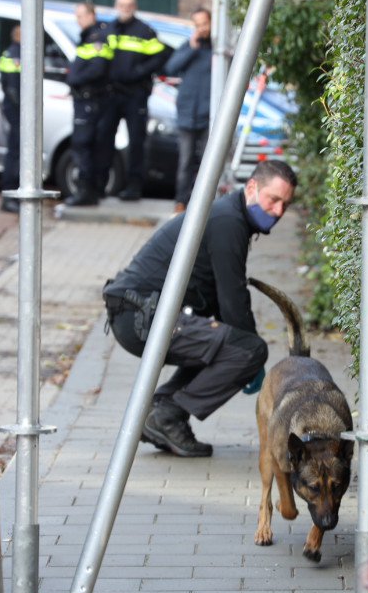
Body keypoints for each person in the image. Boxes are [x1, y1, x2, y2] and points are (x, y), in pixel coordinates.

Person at [103, 159, 297, 457]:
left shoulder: (230, 217)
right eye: (274, 200)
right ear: (253, 188)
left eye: (285, 204)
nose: (279, 211)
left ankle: (161, 413)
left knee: (226, 343)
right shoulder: (227, 221)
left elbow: (223, 300)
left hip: (139, 314)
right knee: (245, 349)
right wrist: (252, 359)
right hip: (141, 317)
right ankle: (167, 416)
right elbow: (232, 298)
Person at [98, 0, 169, 201]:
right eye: (121, 5)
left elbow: (159, 57)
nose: (125, 9)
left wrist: (138, 73)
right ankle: (101, 183)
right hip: (111, 95)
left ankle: (134, 187)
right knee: (104, 139)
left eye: (129, 5)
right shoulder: (109, 29)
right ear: (116, 5)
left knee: (137, 142)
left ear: (135, 6)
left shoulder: (145, 31)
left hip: (135, 94)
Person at [163, 7, 213, 214]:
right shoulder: (188, 47)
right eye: (197, 24)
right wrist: (191, 48)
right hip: (187, 115)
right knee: (185, 161)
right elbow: (170, 68)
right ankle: (181, 202)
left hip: (208, 115)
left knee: (206, 161)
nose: (202, 29)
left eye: (205, 24)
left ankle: (202, 203)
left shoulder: (217, 50)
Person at [64, 2, 112, 207]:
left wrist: (76, 79)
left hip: (89, 100)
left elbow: (98, 69)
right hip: (86, 100)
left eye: (81, 15)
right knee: (85, 145)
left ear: (92, 15)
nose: (78, 20)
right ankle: (90, 190)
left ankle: (86, 192)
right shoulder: (87, 37)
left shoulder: (97, 38)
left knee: (83, 144)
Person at [0, 25, 22, 214]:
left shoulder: (13, 52)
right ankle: (9, 196)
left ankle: (12, 195)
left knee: (16, 153)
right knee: (14, 153)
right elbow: (13, 88)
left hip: (15, 109)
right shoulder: (15, 54)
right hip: (17, 111)